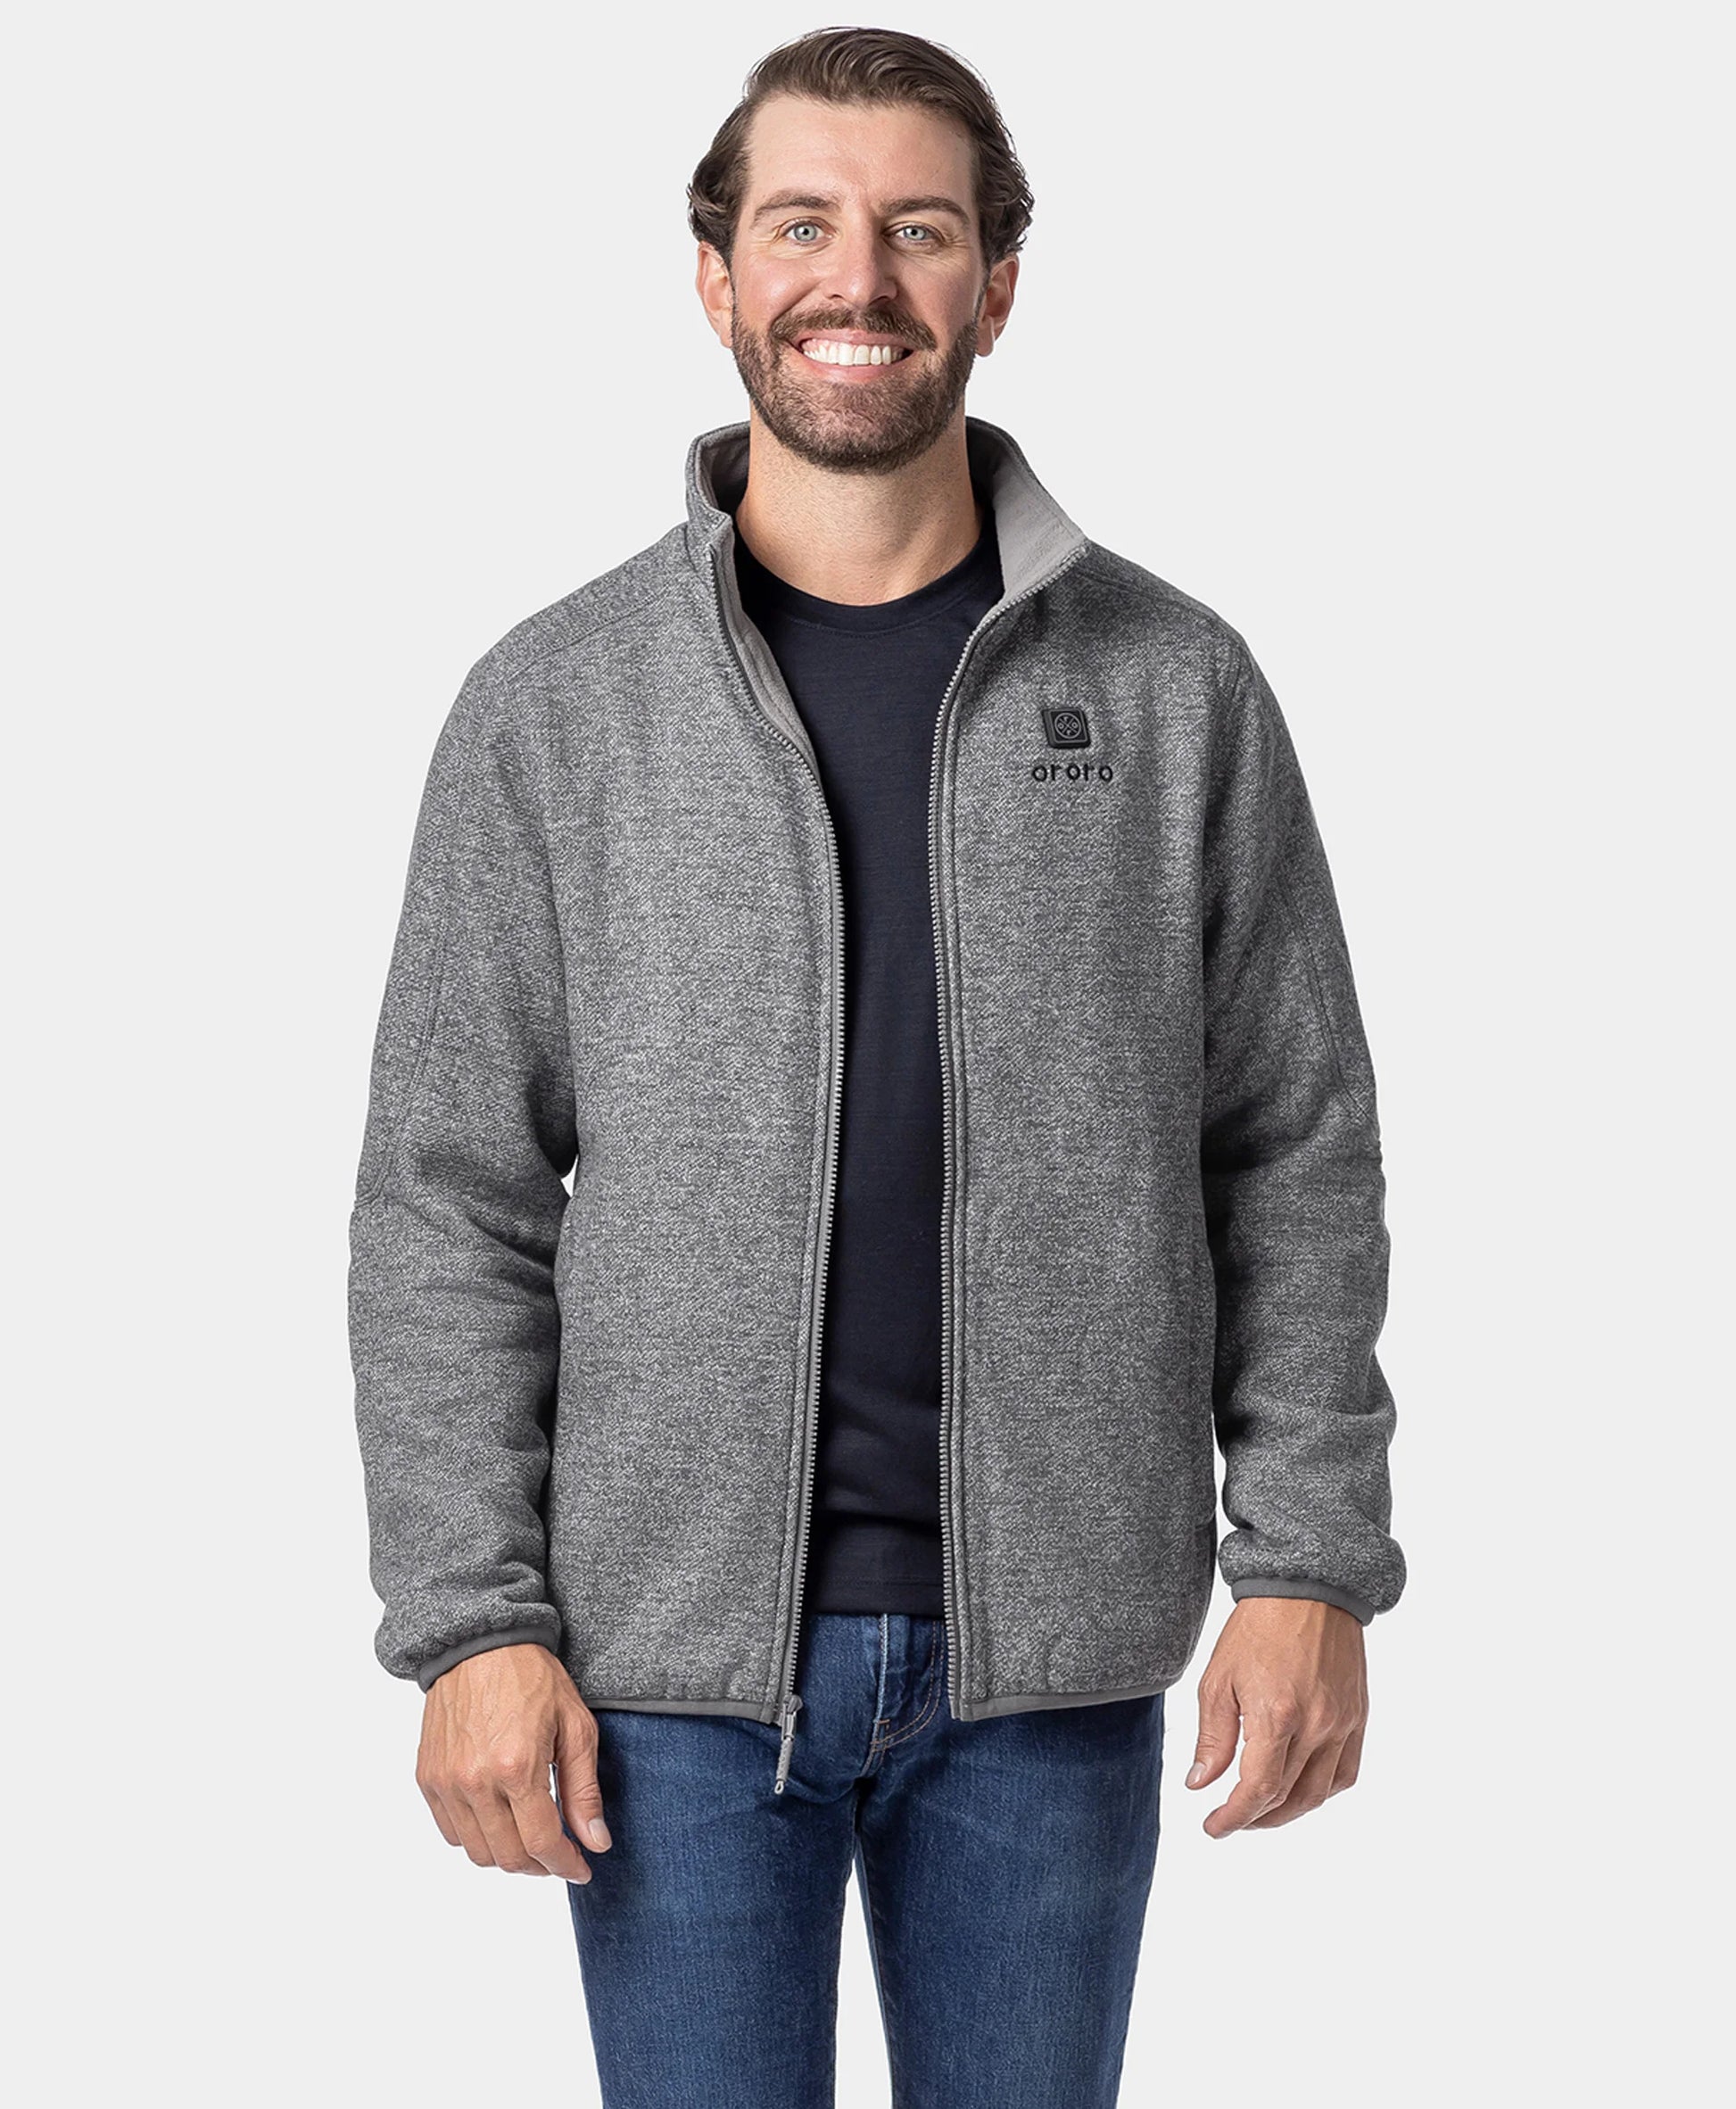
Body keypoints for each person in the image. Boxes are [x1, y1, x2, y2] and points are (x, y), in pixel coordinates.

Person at [347, 25, 1404, 2107]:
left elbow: (1292, 1150)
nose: (858, 279)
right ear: (715, 276)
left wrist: (1305, 1560)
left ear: (996, 285)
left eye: (919, 230)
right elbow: (447, 1196)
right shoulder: (554, 707)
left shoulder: (1172, 689)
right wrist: (471, 1622)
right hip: (661, 1683)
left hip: (1051, 1670)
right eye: (801, 226)